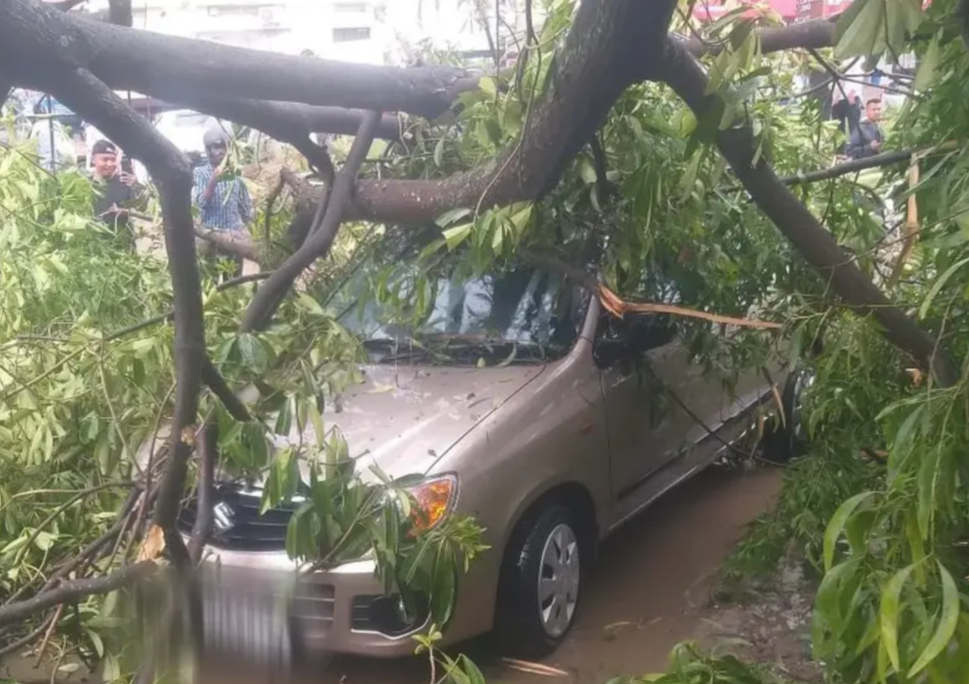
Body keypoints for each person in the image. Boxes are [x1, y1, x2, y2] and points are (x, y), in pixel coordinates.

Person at [192, 128, 252, 273]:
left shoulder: (235, 172)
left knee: (234, 278)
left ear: (227, 147)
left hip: (235, 236)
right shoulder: (200, 173)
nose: (215, 152)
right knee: (213, 280)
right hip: (212, 236)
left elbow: (244, 206)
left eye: (219, 146)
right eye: (210, 147)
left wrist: (248, 223)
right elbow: (200, 203)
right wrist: (213, 181)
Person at [89, 139, 144, 247]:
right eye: (105, 159)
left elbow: (142, 210)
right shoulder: (84, 185)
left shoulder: (125, 183)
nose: (109, 164)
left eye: (113, 160)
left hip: (122, 245)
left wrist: (137, 187)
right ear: (93, 160)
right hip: (94, 245)